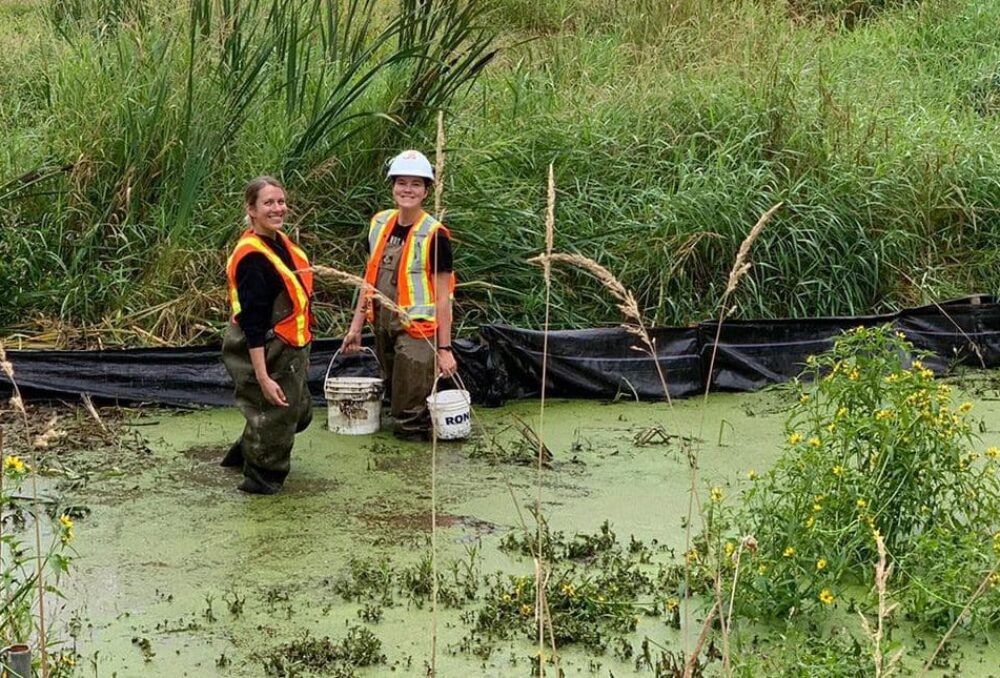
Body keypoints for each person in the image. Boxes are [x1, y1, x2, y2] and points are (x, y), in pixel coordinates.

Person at [341, 150, 457, 440]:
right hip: (382, 324)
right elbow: (367, 279)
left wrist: (444, 349)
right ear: (392, 187)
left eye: (416, 184)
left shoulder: (435, 235)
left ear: (426, 191)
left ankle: (418, 467)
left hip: (418, 331)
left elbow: (444, 297)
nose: (408, 190)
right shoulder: (379, 223)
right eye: (401, 182)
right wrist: (355, 327)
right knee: (394, 396)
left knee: (409, 415)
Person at [220, 176, 314, 494]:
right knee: (277, 414)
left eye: (281, 202)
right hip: (268, 347)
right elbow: (254, 324)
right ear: (252, 209)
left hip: (291, 346)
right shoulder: (253, 260)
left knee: (299, 412)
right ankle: (261, 479)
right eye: (269, 203)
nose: (278, 209)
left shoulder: (278, 242)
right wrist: (262, 376)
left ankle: (249, 445)